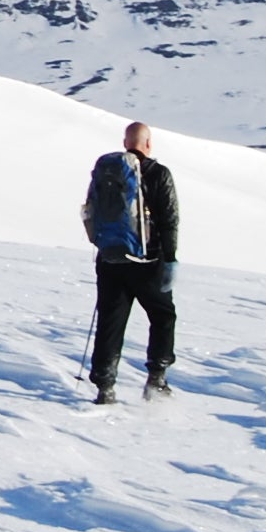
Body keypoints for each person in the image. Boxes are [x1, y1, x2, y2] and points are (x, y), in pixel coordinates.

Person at [81, 120, 179, 403]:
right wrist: (170, 260)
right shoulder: (158, 173)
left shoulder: (106, 172)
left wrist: (103, 246)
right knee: (163, 316)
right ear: (148, 144)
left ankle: (105, 386)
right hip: (148, 261)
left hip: (111, 259)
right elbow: (169, 219)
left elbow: (90, 211)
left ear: (126, 143)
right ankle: (156, 378)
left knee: (111, 320)